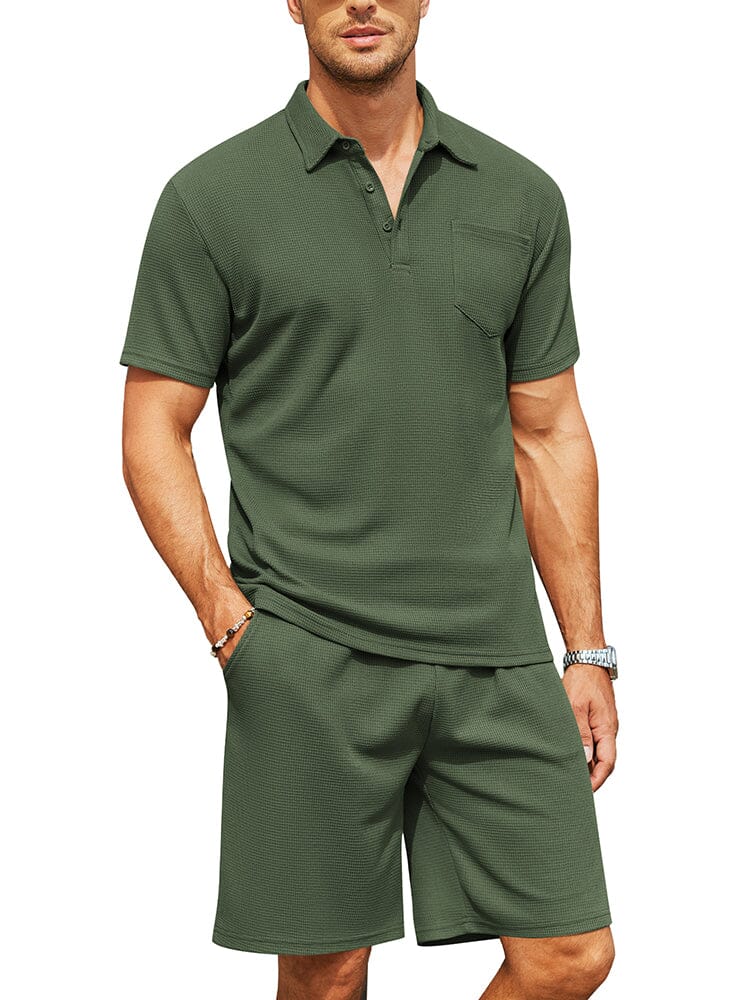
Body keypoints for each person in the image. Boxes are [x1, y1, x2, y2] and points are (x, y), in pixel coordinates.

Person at [119, 1, 619, 997]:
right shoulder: (212, 198)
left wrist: (588, 649)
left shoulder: (520, 196)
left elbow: (549, 431)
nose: (362, 2)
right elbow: (152, 430)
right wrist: (231, 623)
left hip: (495, 654)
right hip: (309, 650)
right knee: (327, 971)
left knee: (571, 954)